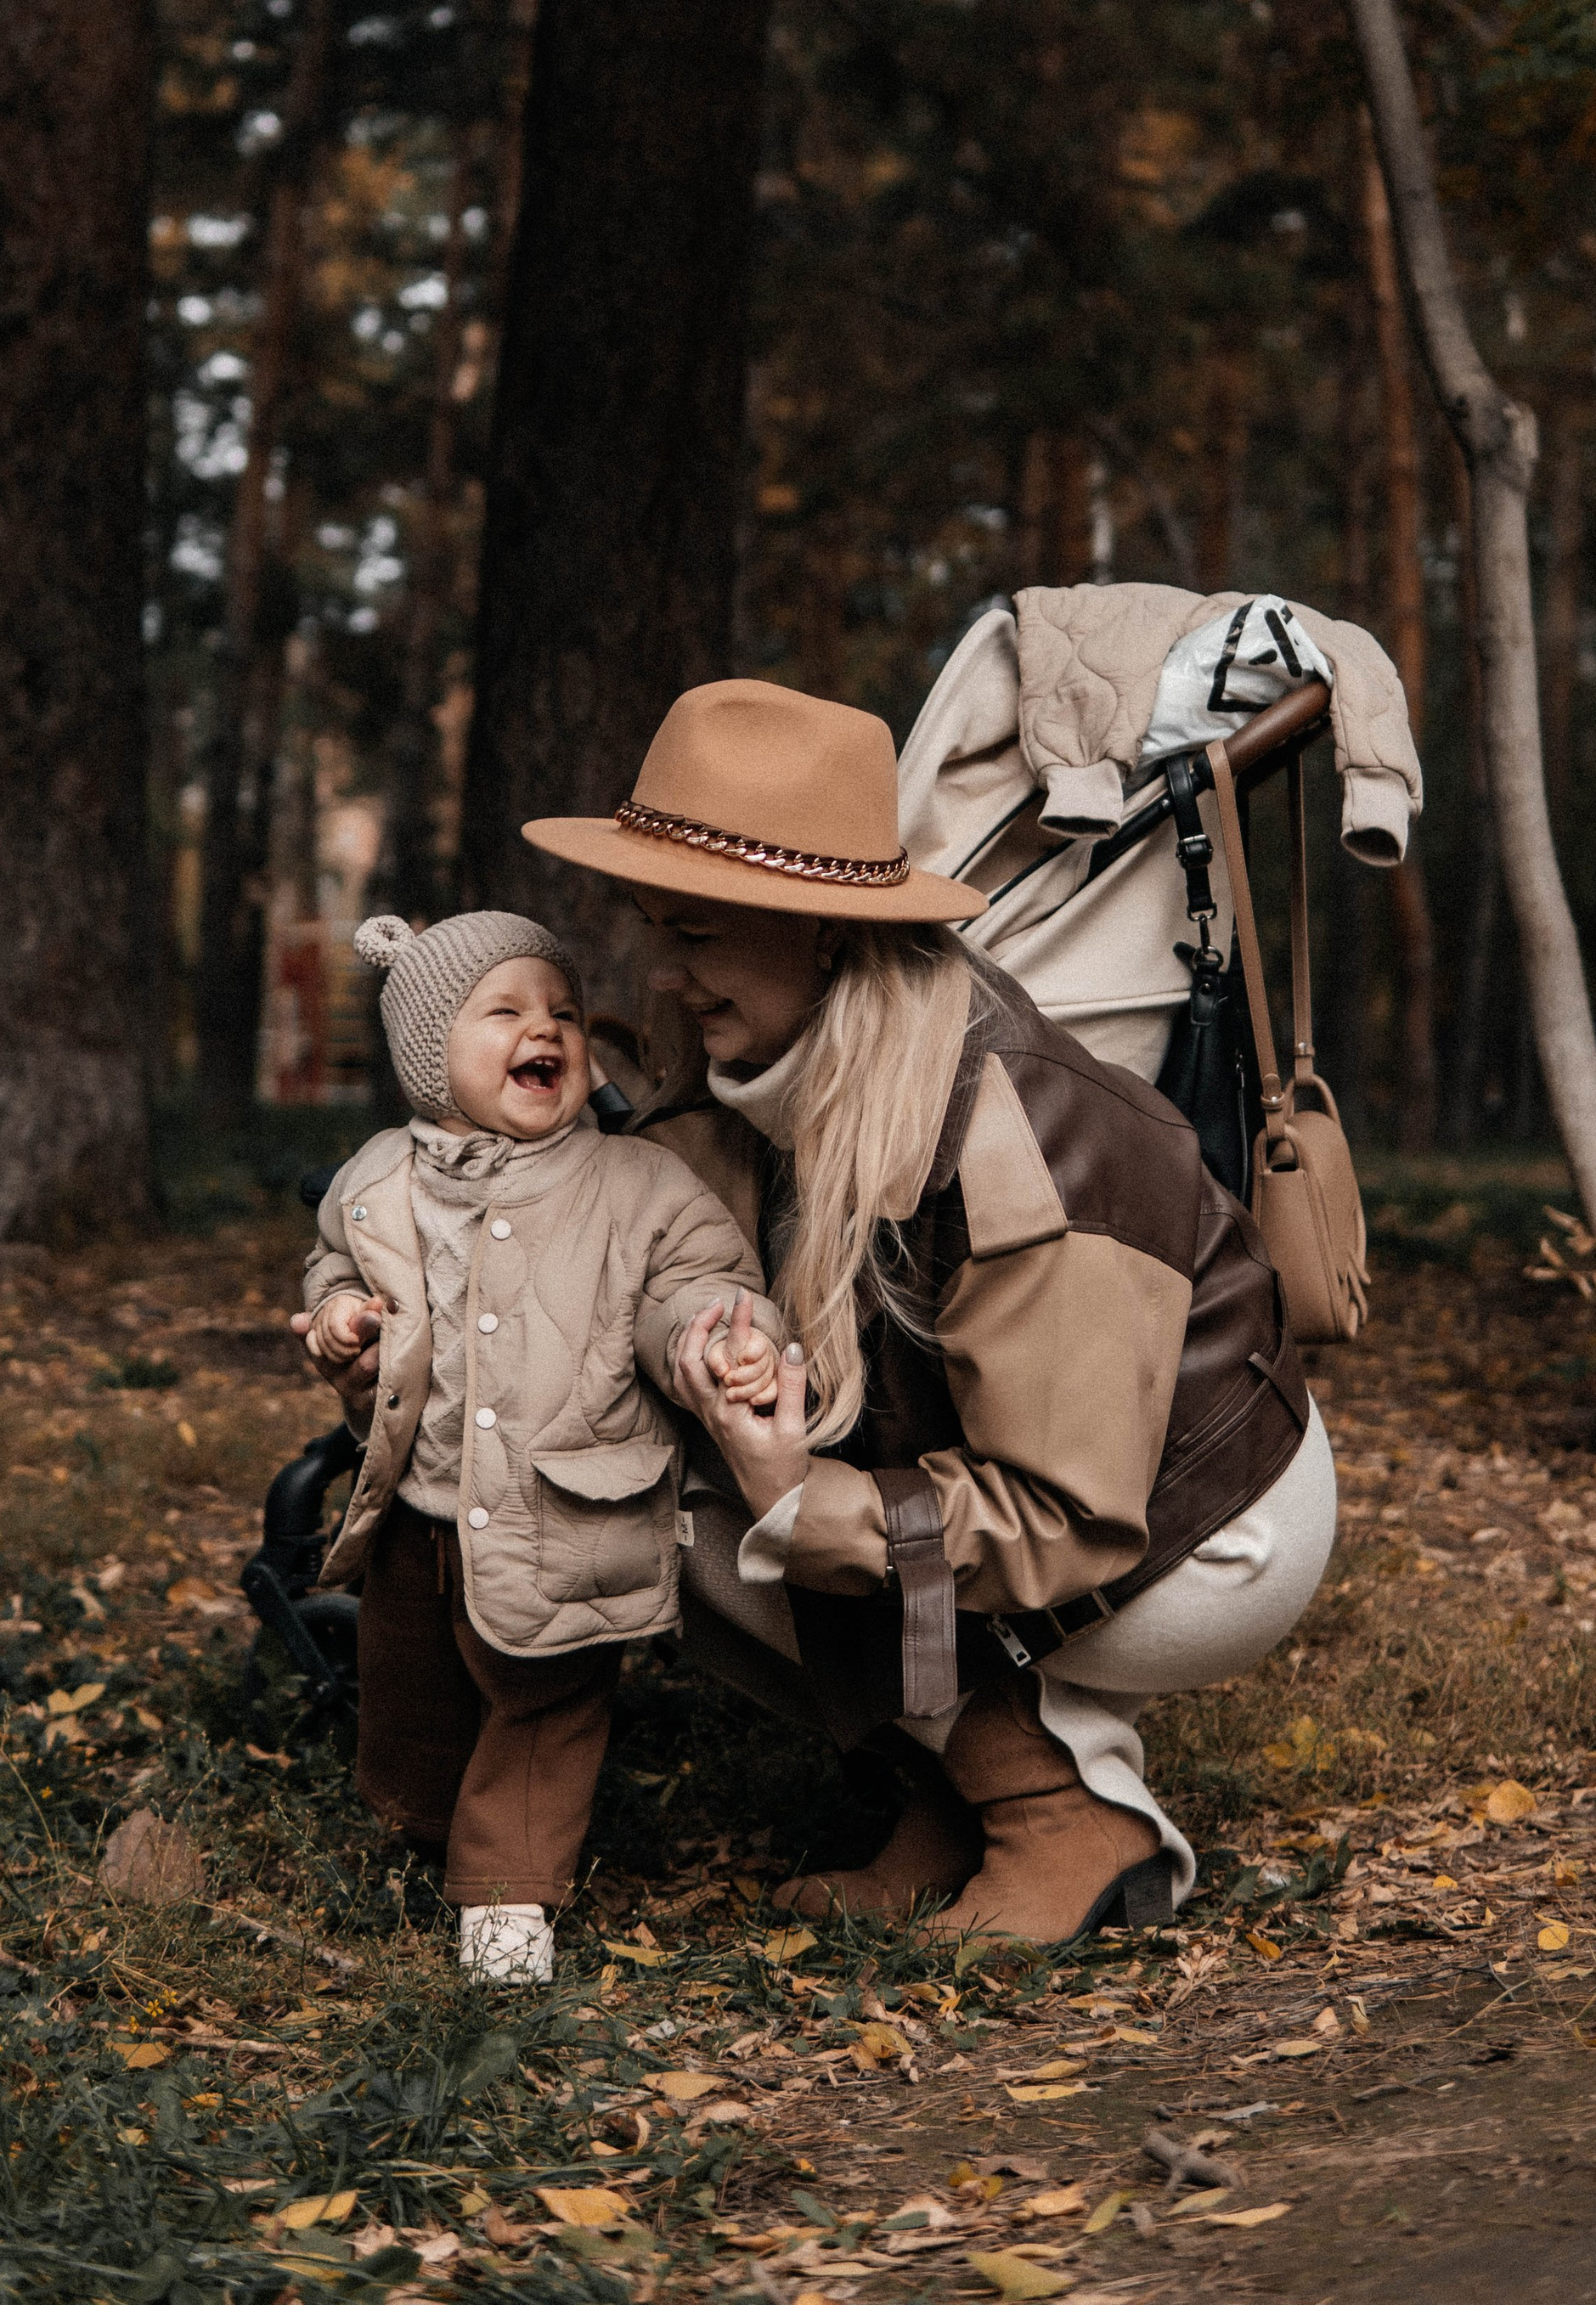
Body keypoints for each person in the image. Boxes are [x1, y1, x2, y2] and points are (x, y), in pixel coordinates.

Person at [524, 677, 1336, 1945]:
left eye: (696, 935)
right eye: (656, 929)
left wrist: (805, 1498)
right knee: (642, 1464)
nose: (661, 976)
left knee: (721, 1513)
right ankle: (946, 1801)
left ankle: (1055, 1813)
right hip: (1026, 1488)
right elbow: (639, 1257)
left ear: (830, 939)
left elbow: (1064, 1515)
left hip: (1200, 1526)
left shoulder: (1020, 1140)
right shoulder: (770, 1065)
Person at [292, 907, 781, 1982]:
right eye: (504, 1010)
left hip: (567, 1507)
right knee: (410, 1687)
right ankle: (422, 1828)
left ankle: (508, 1900)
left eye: (560, 1009)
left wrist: (717, 1339)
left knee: (542, 1700)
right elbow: (335, 1264)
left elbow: (696, 1281)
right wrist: (337, 1317)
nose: (545, 1027)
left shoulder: (635, 1184)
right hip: (415, 1504)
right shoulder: (379, 1179)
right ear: (428, 1053)